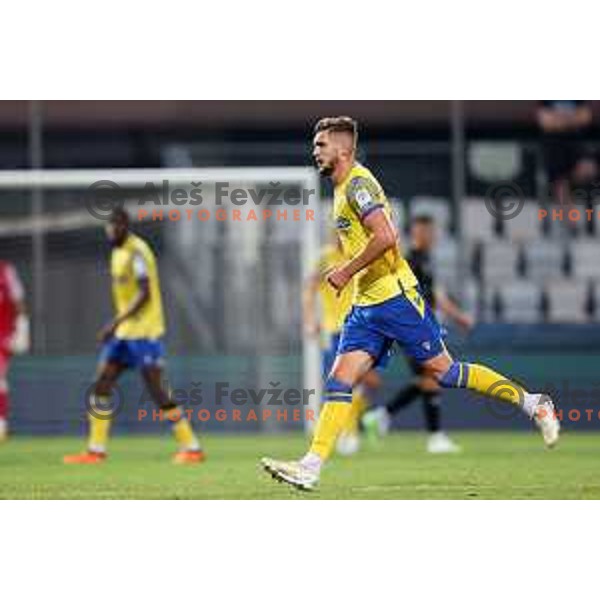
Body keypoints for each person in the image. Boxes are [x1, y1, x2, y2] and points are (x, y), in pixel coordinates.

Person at [261, 116, 559, 491]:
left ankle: (534, 403)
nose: (315, 151)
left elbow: (386, 235)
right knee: (339, 380)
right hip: (365, 306)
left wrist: (344, 270)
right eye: (315, 144)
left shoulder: (358, 185)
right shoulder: (339, 189)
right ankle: (312, 464)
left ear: (343, 149)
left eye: (321, 145)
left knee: (446, 374)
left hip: (395, 298)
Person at [64, 208, 204, 464]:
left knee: (157, 390)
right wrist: (119, 327)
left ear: (125, 226)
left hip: (145, 332)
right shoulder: (117, 253)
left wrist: (114, 322)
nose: (110, 232)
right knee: (101, 384)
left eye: (114, 227)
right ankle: (96, 450)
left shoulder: (137, 252)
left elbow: (145, 293)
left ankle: (191, 447)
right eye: (108, 227)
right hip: (125, 334)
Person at [362, 215, 473, 454]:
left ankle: (381, 416)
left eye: (431, 232)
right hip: (412, 328)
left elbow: (436, 296)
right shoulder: (410, 261)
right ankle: (434, 437)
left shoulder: (426, 260)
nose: (429, 236)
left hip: (422, 327)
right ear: (415, 233)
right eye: (424, 231)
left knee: (428, 380)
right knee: (435, 376)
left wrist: (457, 316)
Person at [303, 233, 380, 455]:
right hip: (334, 330)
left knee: (369, 382)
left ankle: (359, 424)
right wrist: (310, 321)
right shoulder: (324, 258)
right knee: (343, 383)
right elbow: (309, 289)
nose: (339, 235)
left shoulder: (358, 255)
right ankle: (348, 433)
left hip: (361, 327)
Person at [0, 261, 30, 441]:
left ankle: (1, 425)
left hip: (3, 335)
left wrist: (23, 328)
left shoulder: (6, 271)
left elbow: (19, 302)